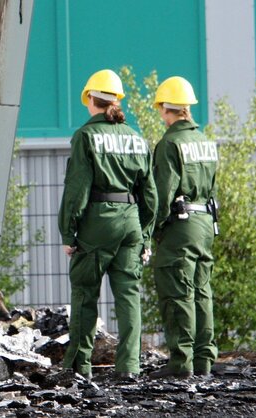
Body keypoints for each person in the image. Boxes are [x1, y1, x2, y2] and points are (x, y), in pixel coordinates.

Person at [58, 69, 157, 380]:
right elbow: (151, 195)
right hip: (130, 222)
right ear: (116, 101)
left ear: (90, 99)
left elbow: (77, 190)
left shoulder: (86, 137)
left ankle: (79, 365)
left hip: (98, 222)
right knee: (129, 295)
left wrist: (68, 232)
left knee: (85, 293)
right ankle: (129, 367)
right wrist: (145, 235)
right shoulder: (136, 139)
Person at [149, 76, 219, 379]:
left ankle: (181, 363)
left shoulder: (170, 144)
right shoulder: (205, 142)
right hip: (205, 224)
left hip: (181, 225)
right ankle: (204, 361)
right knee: (202, 292)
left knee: (178, 293)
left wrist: (152, 230)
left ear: (166, 108)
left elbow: (162, 195)